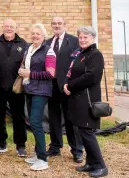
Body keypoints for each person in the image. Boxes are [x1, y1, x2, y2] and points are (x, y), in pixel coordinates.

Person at [63, 26, 108, 178]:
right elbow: (73, 73)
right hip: (78, 99)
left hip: (88, 100)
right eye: (80, 37)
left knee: (87, 132)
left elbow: (91, 77)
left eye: (85, 37)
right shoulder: (81, 54)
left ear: (93, 38)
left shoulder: (95, 54)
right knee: (82, 132)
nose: (82, 40)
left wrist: (70, 85)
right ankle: (90, 163)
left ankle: (101, 166)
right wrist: (67, 84)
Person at [46, 17, 83, 162]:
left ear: (65, 25)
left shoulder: (74, 41)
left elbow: (78, 63)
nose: (57, 26)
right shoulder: (48, 42)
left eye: (59, 23)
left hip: (68, 86)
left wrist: (71, 84)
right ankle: (55, 147)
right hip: (51, 86)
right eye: (54, 24)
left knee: (71, 119)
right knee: (53, 118)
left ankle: (77, 150)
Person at [0, 19, 28, 157]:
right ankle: (1, 143)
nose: (9, 28)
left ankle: (20, 145)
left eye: (12, 26)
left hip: (16, 88)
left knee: (19, 117)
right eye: (6, 26)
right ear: (3, 27)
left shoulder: (23, 44)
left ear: (16, 28)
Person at [18, 23, 54, 171]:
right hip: (30, 89)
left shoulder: (48, 51)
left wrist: (29, 74)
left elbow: (51, 73)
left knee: (36, 122)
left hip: (41, 91)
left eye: (37, 34)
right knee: (33, 123)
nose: (34, 36)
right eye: (32, 33)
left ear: (43, 36)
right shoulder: (29, 49)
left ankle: (43, 159)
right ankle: (38, 153)